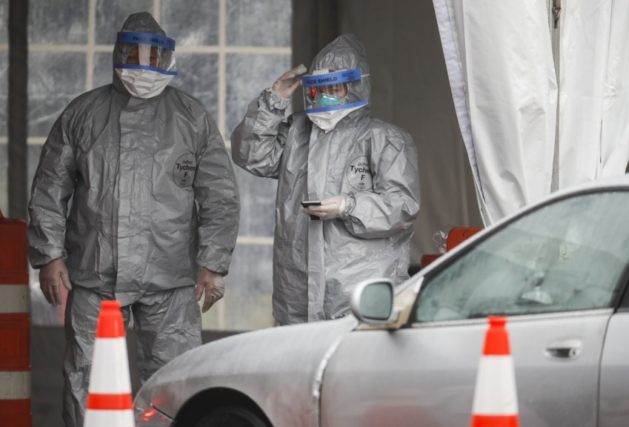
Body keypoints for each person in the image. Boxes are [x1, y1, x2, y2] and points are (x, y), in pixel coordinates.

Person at [27, 12, 240, 427]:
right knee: (88, 377)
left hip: (170, 279)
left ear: (167, 58)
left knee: (177, 378)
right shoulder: (83, 114)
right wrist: (49, 256)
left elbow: (219, 194)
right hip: (96, 275)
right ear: (117, 53)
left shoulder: (190, 117)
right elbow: (50, 189)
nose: (143, 64)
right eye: (134, 52)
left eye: (153, 54)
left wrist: (213, 264)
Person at [231, 34, 420, 325]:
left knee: (357, 366)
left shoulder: (385, 139)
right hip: (295, 292)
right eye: (319, 89)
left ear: (356, 86)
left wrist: (349, 206)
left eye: (336, 87)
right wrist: (274, 100)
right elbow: (250, 154)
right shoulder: (296, 133)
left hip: (357, 292)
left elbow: (403, 207)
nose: (326, 96)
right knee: (296, 367)